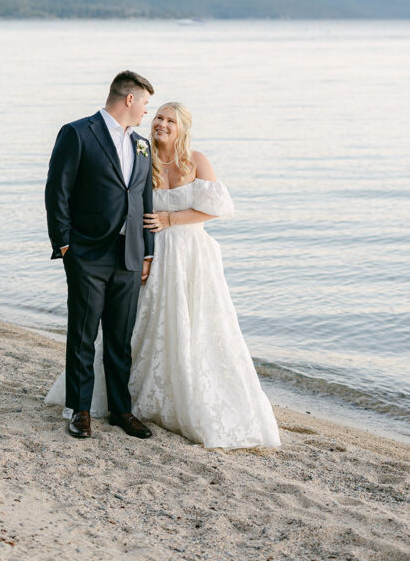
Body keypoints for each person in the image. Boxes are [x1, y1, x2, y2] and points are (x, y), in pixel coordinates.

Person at [46, 101, 281, 450]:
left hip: (190, 255)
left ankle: (185, 395)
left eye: (170, 120)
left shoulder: (197, 160)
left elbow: (218, 208)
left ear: (183, 127)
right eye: (158, 117)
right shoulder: (141, 153)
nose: (162, 124)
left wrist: (171, 220)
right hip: (146, 255)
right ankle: (111, 401)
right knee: (139, 326)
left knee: (194, 326)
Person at [45, 70, 156, 440]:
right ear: (129, 99)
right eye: (144, 103)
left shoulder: (142, 144)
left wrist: (147, 252)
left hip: (129, 254)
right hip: (87, 253)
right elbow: (57, 191)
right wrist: (64, 246)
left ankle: (121, 410)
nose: (146, 112)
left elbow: (143, 200)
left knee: (120, 337)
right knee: (83, 333)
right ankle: (79, 410)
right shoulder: (78, 133)